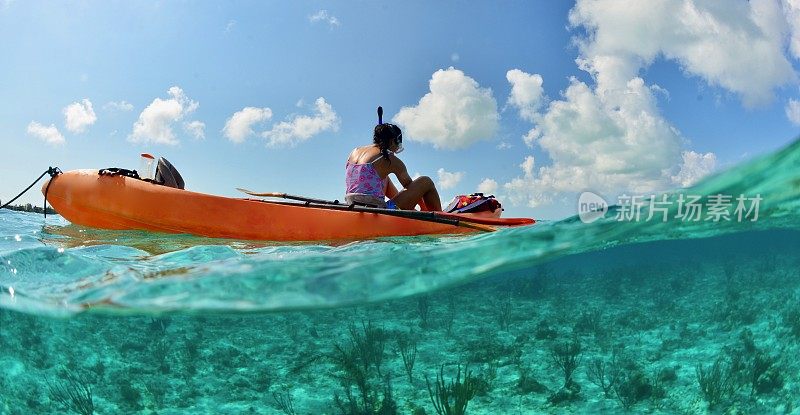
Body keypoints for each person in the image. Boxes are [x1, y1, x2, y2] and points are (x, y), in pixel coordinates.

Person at [345, 123, 442, 211]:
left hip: (352, 203)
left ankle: (415, 212)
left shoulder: (355, 151)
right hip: (377, 209)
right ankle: (440, 218)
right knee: (426, 181)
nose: (396, 150)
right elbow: (412, 187)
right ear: (392, 141)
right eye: (398, 145)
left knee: (384, 179)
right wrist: (423, 210)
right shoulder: (390, 160)